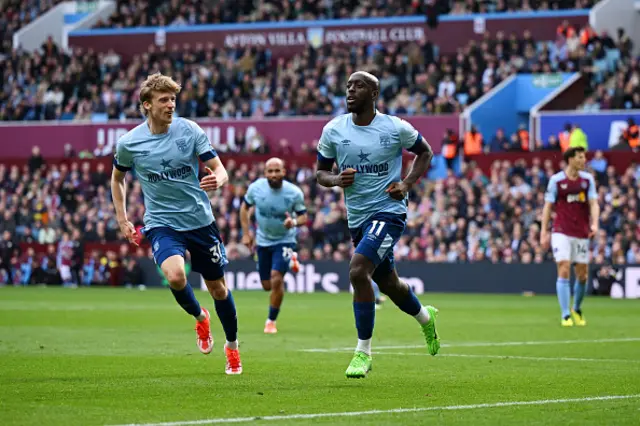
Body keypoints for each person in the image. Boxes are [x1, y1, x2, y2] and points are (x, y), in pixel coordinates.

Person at [111, 73, 242, 375]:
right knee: (175, 276)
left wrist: (218, 180)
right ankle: (200, 317)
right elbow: (118, 178)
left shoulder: (189, 130)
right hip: (161, 222)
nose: (171, 105)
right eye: (163, 100)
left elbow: (219, 168)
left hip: (199, 220)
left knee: (218, 289)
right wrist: (123, 218)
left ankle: (232, 347)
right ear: (147, 105)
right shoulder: (129, 143)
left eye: (173, 99)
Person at [315, 71, 440, 379]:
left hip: (389, 211)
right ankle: (427, 319)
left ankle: (363, 352)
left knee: (358, 270)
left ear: (373, 93)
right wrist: (335, 180)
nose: (350, 90)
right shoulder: (333, 130)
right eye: (347, 86)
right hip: (357, 218)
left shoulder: (395, 127)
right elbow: (320, 172)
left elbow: (425, 152)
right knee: (389, 284)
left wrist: (407, 183)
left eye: (358, 86)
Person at [240, 158, 307, 334]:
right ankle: (291, 259)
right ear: (265, 173)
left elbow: (303, 217)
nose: (274, 174)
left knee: (277, 278)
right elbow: (244, 208)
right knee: (266, 285)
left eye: (277, 171)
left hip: (285, 240)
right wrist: (246, 233)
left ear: (284, 172)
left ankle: (271, 321)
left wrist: (293, 222)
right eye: (270, 171)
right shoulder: (256, 188)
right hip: (263, 240)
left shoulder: (294, 192)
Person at [541, 147, 599, 327]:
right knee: (564, 267)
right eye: (581, 157)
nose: (584, 160)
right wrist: (544, 231)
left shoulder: (587, 180)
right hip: (561, 230)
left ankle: (577, 308)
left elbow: (593, 203)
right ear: (571, 159)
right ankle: (565, 314)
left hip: (581, 231)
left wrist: (595, 223)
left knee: (582, 275)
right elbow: (548, 206)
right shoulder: (556, 180)